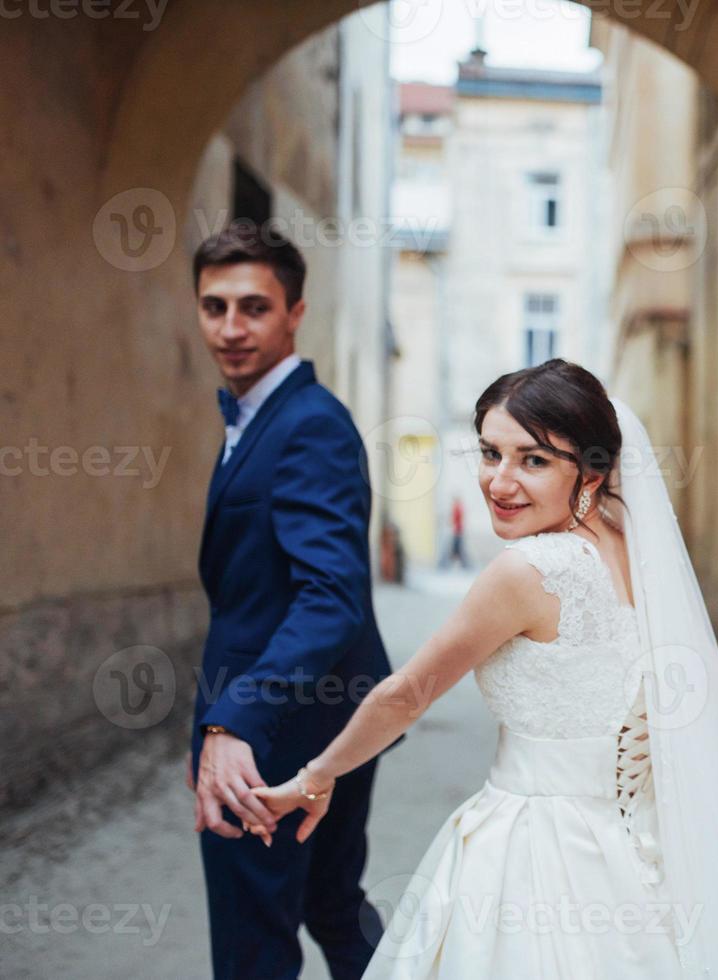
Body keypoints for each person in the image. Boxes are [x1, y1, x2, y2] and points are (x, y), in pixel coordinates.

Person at [251, 358, 718, 978]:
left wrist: (315, 777)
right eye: (489, 453)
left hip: (534, 851)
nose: (499, 482)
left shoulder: (528, 571)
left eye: (533, 460)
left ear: (590, 469)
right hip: (638, 857)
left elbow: (405, 696)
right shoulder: (636, 542)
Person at [188, 225, 401, 979]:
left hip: (276, 729)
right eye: (214, 307)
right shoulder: (257, 420)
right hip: (317, 715)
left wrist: (232, 720)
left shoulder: (308, 424)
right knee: (334, 908)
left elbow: (330, 595)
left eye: (254, 306)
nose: (232, 328)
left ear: (295, 312)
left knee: (254, 945)